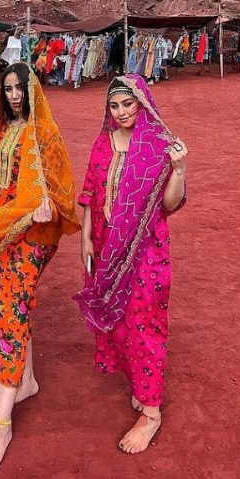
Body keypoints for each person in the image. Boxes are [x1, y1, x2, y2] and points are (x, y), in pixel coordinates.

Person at [0, 62, 79, 471]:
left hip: (29, 236)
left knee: (10, 312)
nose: (14, 96)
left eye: (20, 89)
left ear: (33, 92)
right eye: (8, 89)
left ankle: (2, 425)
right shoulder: (0, 130)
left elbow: (60, 187)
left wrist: (46, 210)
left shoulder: (44, 133)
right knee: (3, 307)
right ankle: (25, 381)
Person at [73, 74, 188, 454]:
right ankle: (142, 387)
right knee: (120, 322)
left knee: (144, 323)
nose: (122, 112)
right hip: (107, 247)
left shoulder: (159, 147)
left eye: (128, 104)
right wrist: (86, 238)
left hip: (146, 251)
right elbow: (90, 191)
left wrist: (180, 170)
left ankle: (151, 413)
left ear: (142, 103)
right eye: (114, 105)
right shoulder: (102, 143)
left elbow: (170, 204)